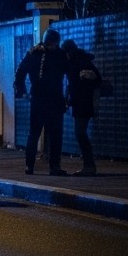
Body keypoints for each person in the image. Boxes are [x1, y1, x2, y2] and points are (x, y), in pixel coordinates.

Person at [13, 28, 69, 175]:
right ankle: (54, 166)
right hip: (55, 99)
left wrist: (23, 92)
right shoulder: (60, 54)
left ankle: (29, 165)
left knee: (34, 133)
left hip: (37, 98)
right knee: (55, 134)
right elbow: (68, 73)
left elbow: (20, 72)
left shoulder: (33, 53)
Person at [62, 39, 103, 176]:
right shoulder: (82, 62)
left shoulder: (77, 64)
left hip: (83, 102)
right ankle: (89, 165)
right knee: (81, 133)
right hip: (83, 102)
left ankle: (89, 166)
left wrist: (69, 99)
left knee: (80, 133)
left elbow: (76, 85)